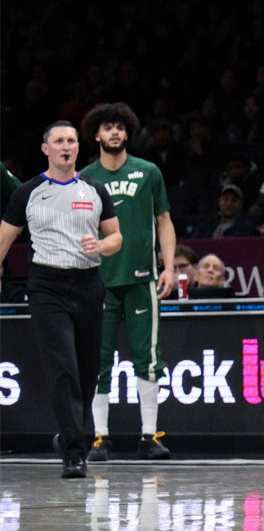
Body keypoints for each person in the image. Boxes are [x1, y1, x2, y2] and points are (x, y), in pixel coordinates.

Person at [0, 122, 122, 477]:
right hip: (47, 285)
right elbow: (4, 239)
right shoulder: (28, 191)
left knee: (88, 372)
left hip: (87, 283)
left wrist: (101, 245)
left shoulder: (95, 188)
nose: (66, 146)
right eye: (59, 141)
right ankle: (74, 453)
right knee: (63, 368)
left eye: (71, 140)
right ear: (46, 149)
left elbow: (116, 237)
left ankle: (68, 435)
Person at [79, 102, 177, 463]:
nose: (114, 132)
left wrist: (169, 267)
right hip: (96, 281)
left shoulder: (148, 172)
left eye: (120, 126)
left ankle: (149, 436)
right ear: (96, 135)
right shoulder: (85, 177)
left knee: (148, 359)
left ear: (127, 132)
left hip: (141, 279)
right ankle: (99, 438)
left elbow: (163, 220)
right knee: (96, 360)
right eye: (107, 127)